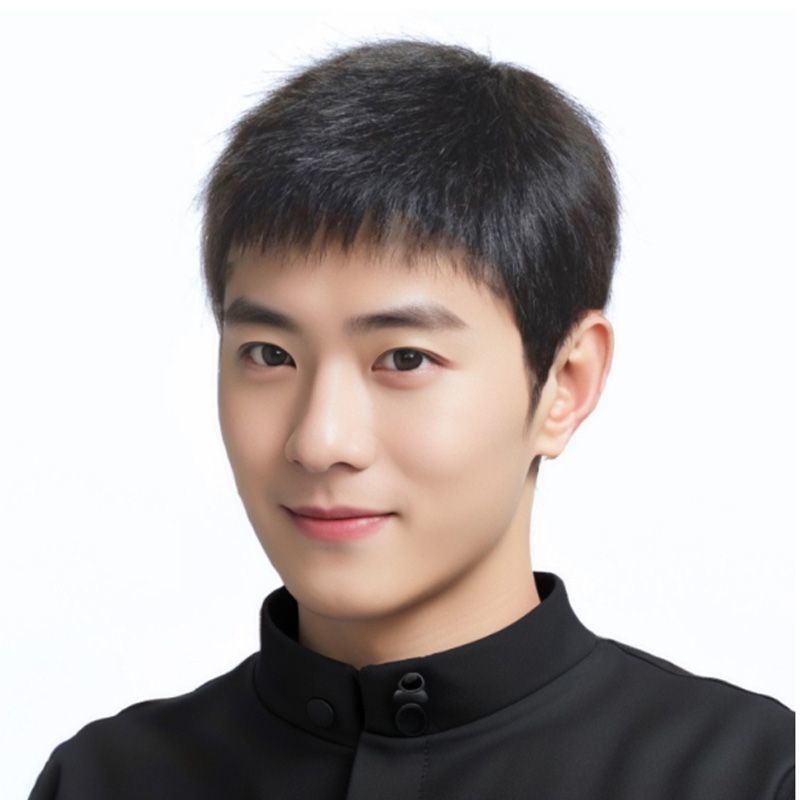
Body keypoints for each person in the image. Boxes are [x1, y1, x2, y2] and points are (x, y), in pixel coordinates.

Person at [28, 37, 794, 800]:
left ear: (565, 383)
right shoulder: (103, 780)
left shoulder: (752, 776)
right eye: (269, 354)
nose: (320, 441)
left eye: (403, 359)